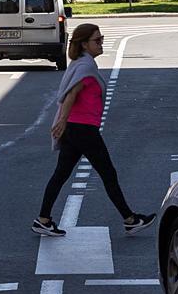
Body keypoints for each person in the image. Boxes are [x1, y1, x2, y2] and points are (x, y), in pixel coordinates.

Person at [33, 23, 155, 238]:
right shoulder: (86, 67)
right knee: (108, 173)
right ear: (84, 44)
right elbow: (71, 94)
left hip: (75, 128)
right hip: (82, 129)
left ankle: (43, 220)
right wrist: (61, 120)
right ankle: (130, 220)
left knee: (61, 175)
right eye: (97, 40)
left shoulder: (80, 63)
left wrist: (64, 122)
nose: (101, 44)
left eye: (102, 39)